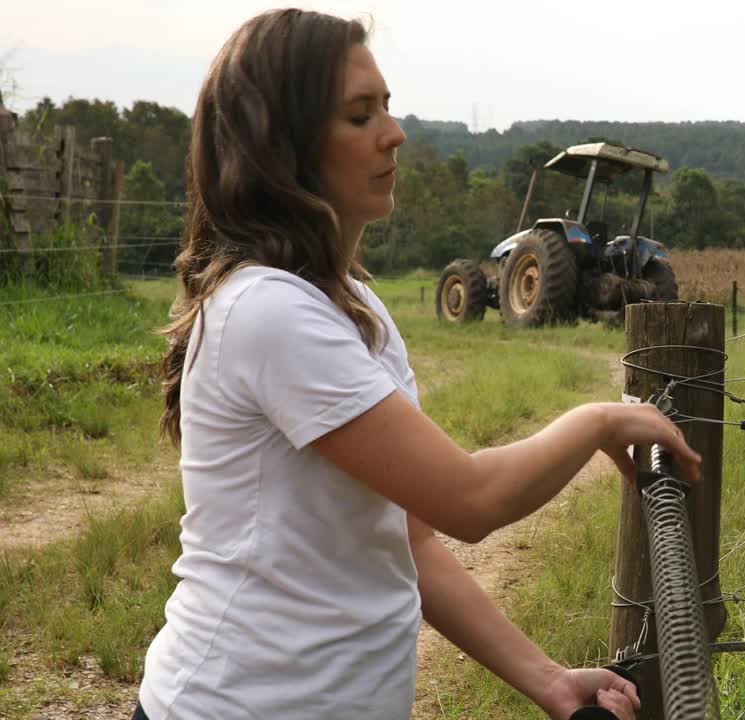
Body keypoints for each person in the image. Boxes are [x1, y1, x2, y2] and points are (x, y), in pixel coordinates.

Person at [136, 9, 700, 720]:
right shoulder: (267, 311)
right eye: (359, 115)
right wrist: (597, 419)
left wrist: (550, 682)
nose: (394, 133)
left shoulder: (354, 306)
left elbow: (410, 540)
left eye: (388, 107)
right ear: (282, 148)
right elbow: (467, 501)